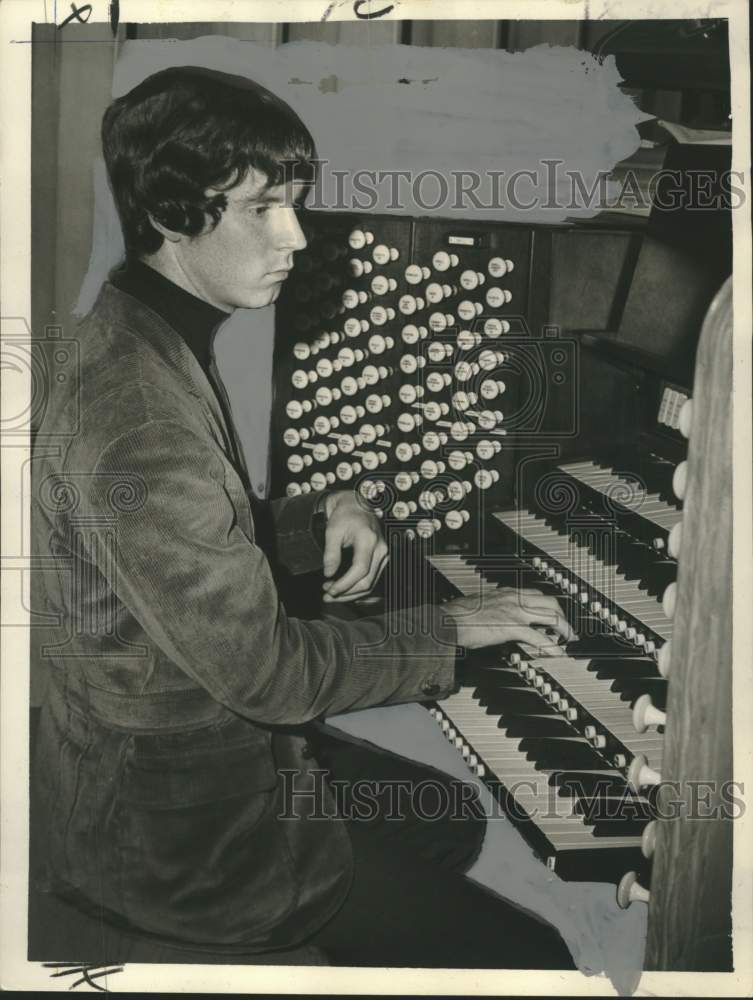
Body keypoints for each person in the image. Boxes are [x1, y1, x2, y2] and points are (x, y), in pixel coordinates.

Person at [30, 65, 576, 970]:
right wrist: (451, 627)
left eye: (294, 203)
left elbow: (179, 535)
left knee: (444, 818)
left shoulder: (137, 330)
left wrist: (321, 509)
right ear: (171, 214)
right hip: (181, 842)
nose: (295, 236)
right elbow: (273, 678)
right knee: (539, 960)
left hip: (137, 764)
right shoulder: (138, 416)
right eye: (260, 210)